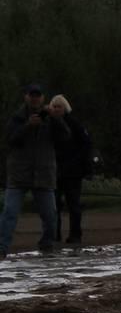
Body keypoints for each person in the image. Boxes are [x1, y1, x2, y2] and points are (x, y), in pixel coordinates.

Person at [0, 84, 68, 260]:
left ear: (43, 98)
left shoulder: (51, 118)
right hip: (18, 174)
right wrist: (28, 126)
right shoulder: (17, 118)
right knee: (9, 213)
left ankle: (47, 245)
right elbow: (10, 140)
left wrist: (55, 118)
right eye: (32, 95)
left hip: (44, 174)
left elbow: (66, 138)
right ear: (26, 97)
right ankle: (2, 248)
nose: (35, 98)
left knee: (50, 216)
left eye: (38, 95)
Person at [49, 94, 93, 245]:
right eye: (53, 106)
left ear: (65, 108)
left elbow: (86, 145)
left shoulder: (74, 124)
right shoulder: (49, 124)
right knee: (54, 204)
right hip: (55, 170)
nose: (56, 109)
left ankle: (75, 235)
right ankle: (55, 234)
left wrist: (81, 165)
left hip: (73, 171)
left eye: (58, 106)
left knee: (73, 204)